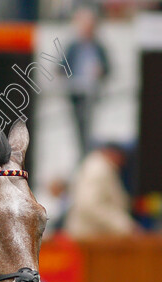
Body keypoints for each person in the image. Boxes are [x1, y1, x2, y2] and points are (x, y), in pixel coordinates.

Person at [63, 143, 140, 239]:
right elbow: (89, 205)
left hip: (92, 237)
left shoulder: (101, 168)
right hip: (88, 239)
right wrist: (124, 225)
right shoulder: (98, 170)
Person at [65, 8, 109, 156]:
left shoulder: (99, 47)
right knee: (78, 126)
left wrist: (101, 71)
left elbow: (108, 67)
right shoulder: (73, 47)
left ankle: (88, 151)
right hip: (76, 92)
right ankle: (81, 152)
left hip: (93, 92)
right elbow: (62, 65)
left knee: (90, 126)